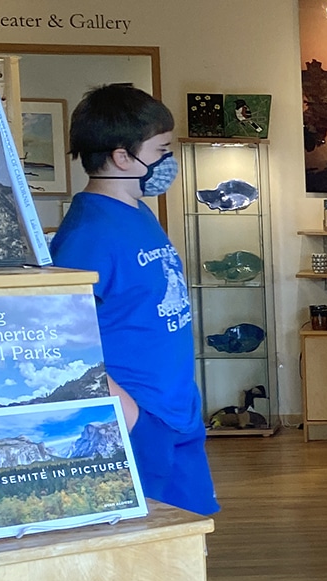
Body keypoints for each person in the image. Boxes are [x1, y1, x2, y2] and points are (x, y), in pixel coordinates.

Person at [49, 84, 218, 516]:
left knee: (191, 544)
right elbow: (65, 349)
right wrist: (134, 420)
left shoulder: (137, 211)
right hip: (142, 424)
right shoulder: (86, 236)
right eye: (161, 149)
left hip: (178, 410)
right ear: (123, 156)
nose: (168, 162)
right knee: (153, 555)